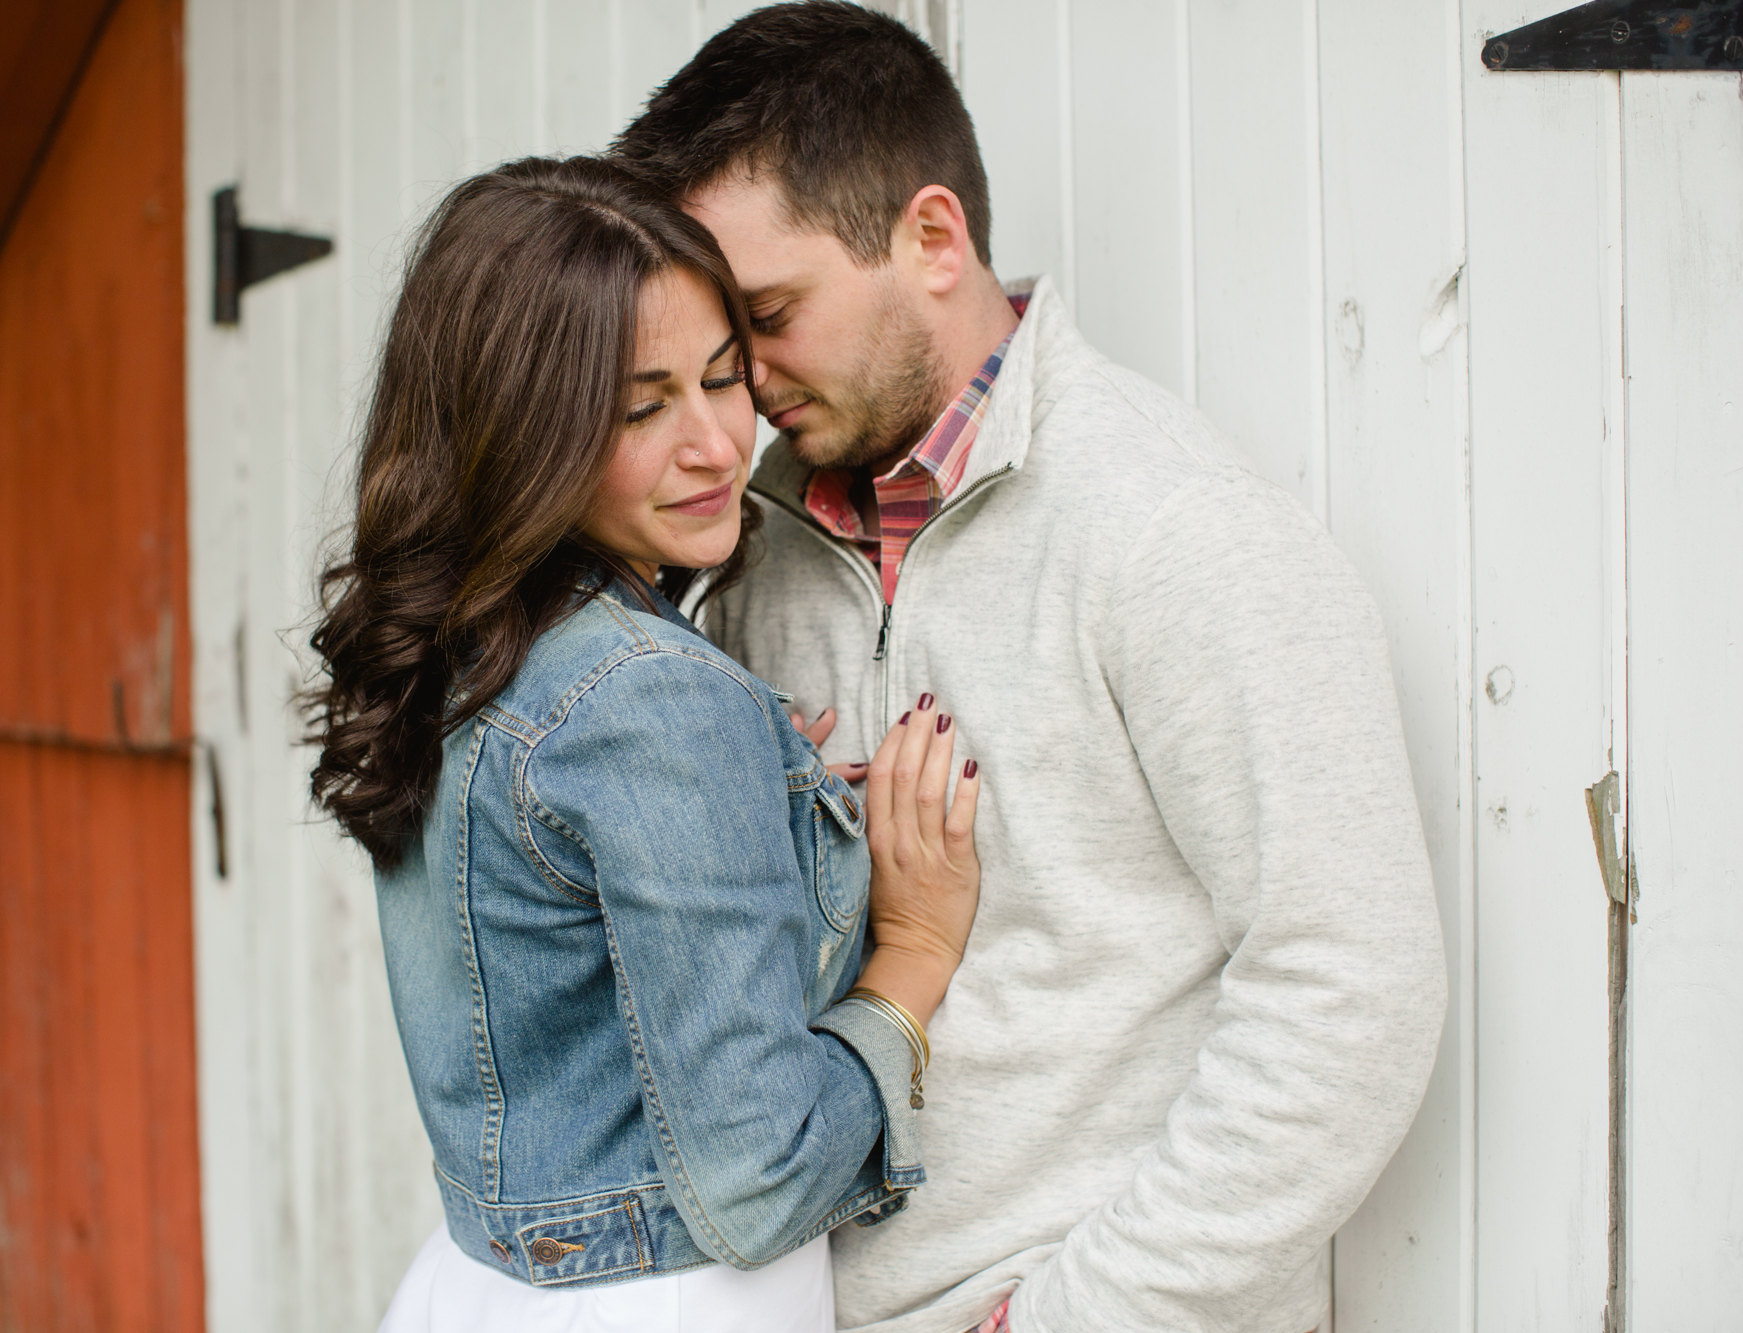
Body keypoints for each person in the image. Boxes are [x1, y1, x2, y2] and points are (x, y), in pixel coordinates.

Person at [612, 5, 1449, 1332]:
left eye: (769, 317)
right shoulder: (743, 551)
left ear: (930, 239)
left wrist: (1079, 1316)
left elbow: (1349, 986)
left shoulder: (1176, 532)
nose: (744, 385)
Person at [305, 156, 984, 1333]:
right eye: (639, 407)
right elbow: (758, 1178)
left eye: (723, 379)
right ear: (519, 434)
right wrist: (911, 957)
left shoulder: (461, 640)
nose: (719, 445)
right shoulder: (648, 695)